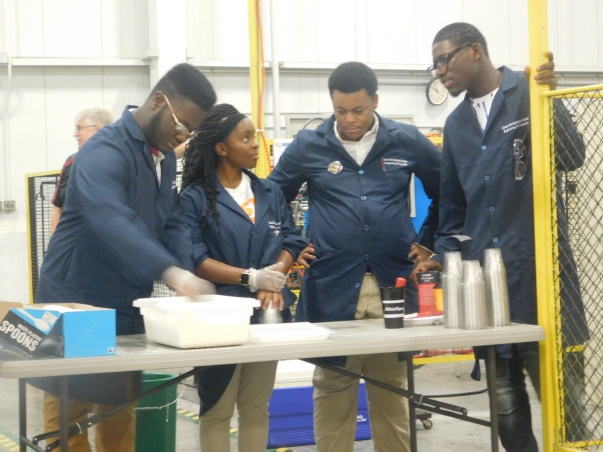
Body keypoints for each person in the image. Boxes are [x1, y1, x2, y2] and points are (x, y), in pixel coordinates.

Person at [411, 23, 589, 451]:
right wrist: (442, 254)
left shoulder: (527, 92)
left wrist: (550, 100)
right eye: (434, 64)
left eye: (444, 59)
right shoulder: (455, 125)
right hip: (486, 287)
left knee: (563, 400)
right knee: (506, 402)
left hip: (542, 275)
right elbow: (454, 206)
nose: (438, 72)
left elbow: (573, 156)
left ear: (474, 51)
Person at [34, 63, 218, 452]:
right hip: (77, 296)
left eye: (191, 132)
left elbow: (165, 221)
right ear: (158, 102)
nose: (182, 138)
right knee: (70, 409)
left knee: (119, 404)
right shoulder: (104, 151)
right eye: (181, 126)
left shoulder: (163, 157)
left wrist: (187, 267)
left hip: (123, 299)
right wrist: (170, 272)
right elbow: (110, 218)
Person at [268, 61, 441, 452]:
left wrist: (428, 242)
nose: (349, 120)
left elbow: (449, 191)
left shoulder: (407, 141)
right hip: (332, 284)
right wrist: (293, 243)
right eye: (340, 110)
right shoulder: (308, 145)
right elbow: (271, 196)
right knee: (333, 386)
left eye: (358, 110)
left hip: (392, 283)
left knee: (391, 387)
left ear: (375, 101)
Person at [179, 104, 309, 451]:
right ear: (221, 148)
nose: (256, 145)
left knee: (256, 407)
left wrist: (276, 277)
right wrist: (252, 279)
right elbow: (195, 258)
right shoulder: (194, 199)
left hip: (268, 312)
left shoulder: (269, 192)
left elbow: (293, 239)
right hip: (217, 318)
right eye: (246, 138)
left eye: (256, 137)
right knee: (217, 408)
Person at [50, 107, 114, 234]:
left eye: (79, 128)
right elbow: (58, 207)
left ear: (98, 130)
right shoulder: (72, 163)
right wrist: (53, 247)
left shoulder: (121, 163)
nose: (75, 134)